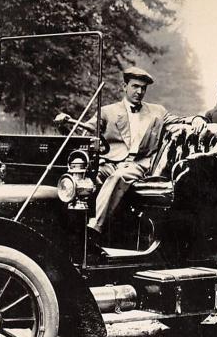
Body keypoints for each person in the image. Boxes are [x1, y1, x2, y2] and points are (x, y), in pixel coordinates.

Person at [58, 66, 207, 234]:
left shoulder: (157, 111)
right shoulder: (108, 111)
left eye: (143, 88)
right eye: (135, 86)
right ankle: (69, 228)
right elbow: (85, 130)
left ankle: (95, 229)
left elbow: (180, 120)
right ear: (124, 86)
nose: (140, 91)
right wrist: (67, 123)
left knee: (118, 177)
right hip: (110, 163)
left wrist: (197, 119)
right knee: (83, 178)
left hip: (139, 164)